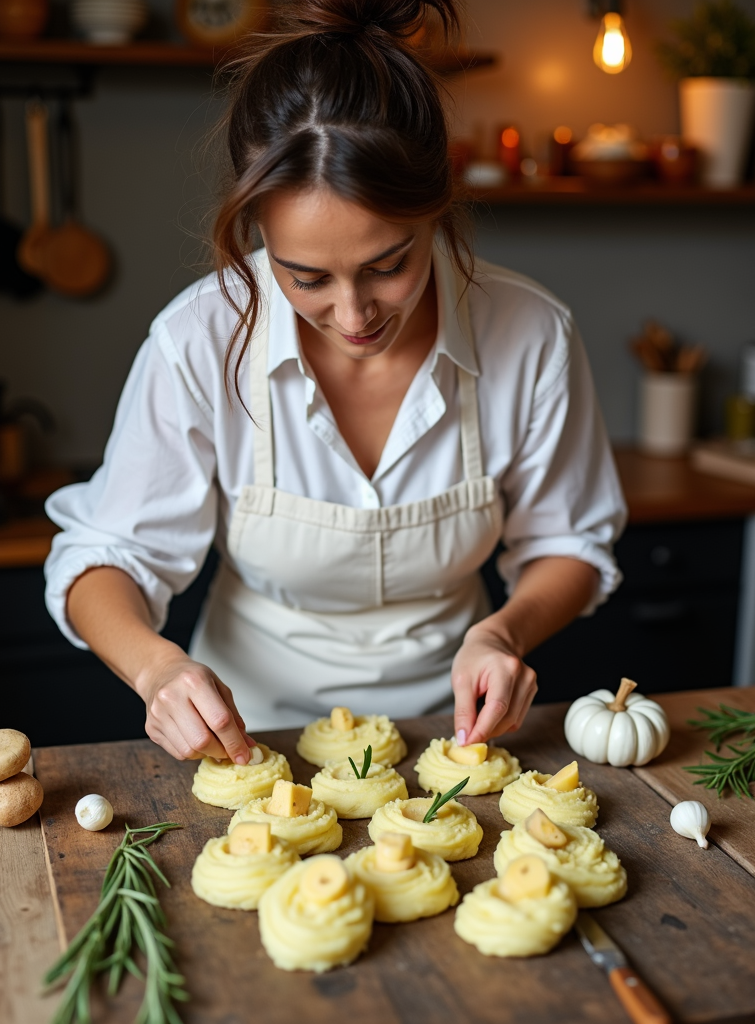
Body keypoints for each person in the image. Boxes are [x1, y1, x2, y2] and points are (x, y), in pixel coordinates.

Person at [44, 0, 626, 768]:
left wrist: (502, 633)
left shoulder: (532, 333)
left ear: (436, 207)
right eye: (306, 277)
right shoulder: (198, 339)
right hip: (247, 737)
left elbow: (569, 542)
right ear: (257, 231)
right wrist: (158, 669)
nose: (353, 315)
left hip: (453, 737)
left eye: (389, 265)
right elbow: (106, 556)